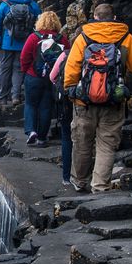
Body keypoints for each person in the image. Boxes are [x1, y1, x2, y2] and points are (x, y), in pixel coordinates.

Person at [63, 3, 132, 192]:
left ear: (94, 16)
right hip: (113, 100)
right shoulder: (125, 37)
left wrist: (71, 91)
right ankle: (100, 185)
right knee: (107, 144)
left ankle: (80, 181)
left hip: (84, 101)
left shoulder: (83, 37)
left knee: (82, 142)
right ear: (114, 18)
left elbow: (72, 67)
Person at [20, 12, 69, 147]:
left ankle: (31, 131)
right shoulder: (62, 39)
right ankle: (42, 138)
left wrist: (26, 71)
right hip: (52, 79)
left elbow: (24, 57)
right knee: (46, 107)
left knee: (30, 104)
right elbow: (67, 58)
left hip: (33, 76)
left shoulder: (33, 37)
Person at [0, 0, 40, 105]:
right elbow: (39, 18)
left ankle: (2, 97)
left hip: (6, 43)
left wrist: (0, 34)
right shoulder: (31, 4)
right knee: (18, 69)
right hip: (24, 43)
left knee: (4, 69)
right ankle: (15, 96)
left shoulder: (6, 4)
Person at [49, 47, 72, 187]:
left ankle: (67, 177)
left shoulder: (66, 54)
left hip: (67, 102)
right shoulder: (103, 51)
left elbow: (52, 77)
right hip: (91, 102)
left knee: (67, 138)